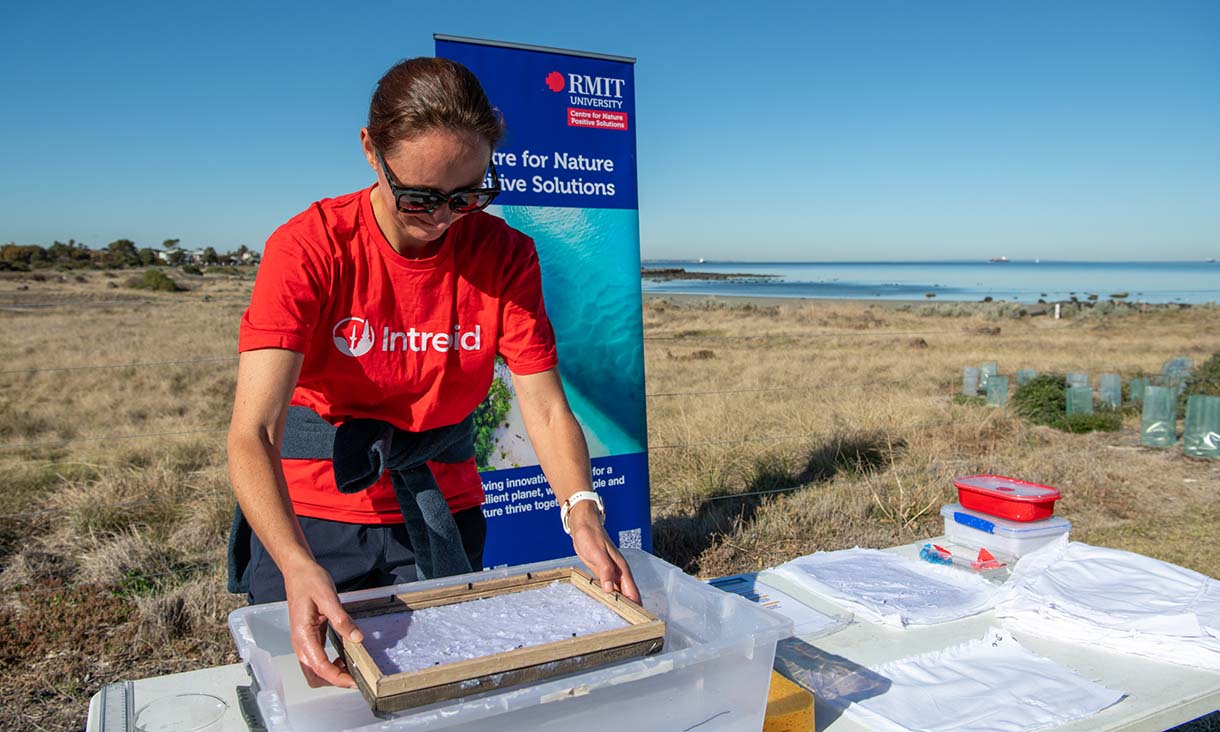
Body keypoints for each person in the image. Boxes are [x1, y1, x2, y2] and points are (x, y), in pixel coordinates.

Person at [226, 56, 639, 690]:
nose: (444, 218)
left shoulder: (505, 255)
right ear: (371, 151)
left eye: (469, 195)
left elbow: (548, 407)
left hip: (442, 508)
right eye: (420, 196)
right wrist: (293, 561)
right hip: (314, 516)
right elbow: (253, 430)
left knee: (440, 693)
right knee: (312, 698)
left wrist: (581, 510)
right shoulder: (311, 247)